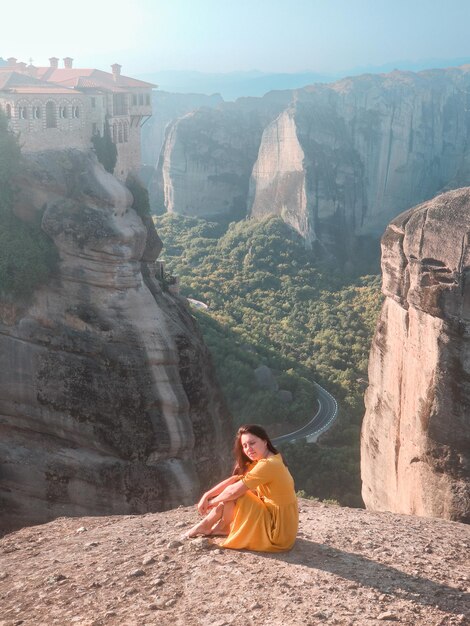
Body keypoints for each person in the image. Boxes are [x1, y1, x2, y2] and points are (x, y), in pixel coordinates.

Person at [185, 424, 298, 552]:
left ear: (265, 441)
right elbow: (234, 480)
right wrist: (207, 495)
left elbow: (233, 491)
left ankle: (209, 526)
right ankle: (215, 526)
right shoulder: (268, 458)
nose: (248, 449)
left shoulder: (269, 465)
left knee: (236, 494)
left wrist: (211, 503)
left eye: (252, 443)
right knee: (235, 490)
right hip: (282, 526)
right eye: (244, 446)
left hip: (277, 533)